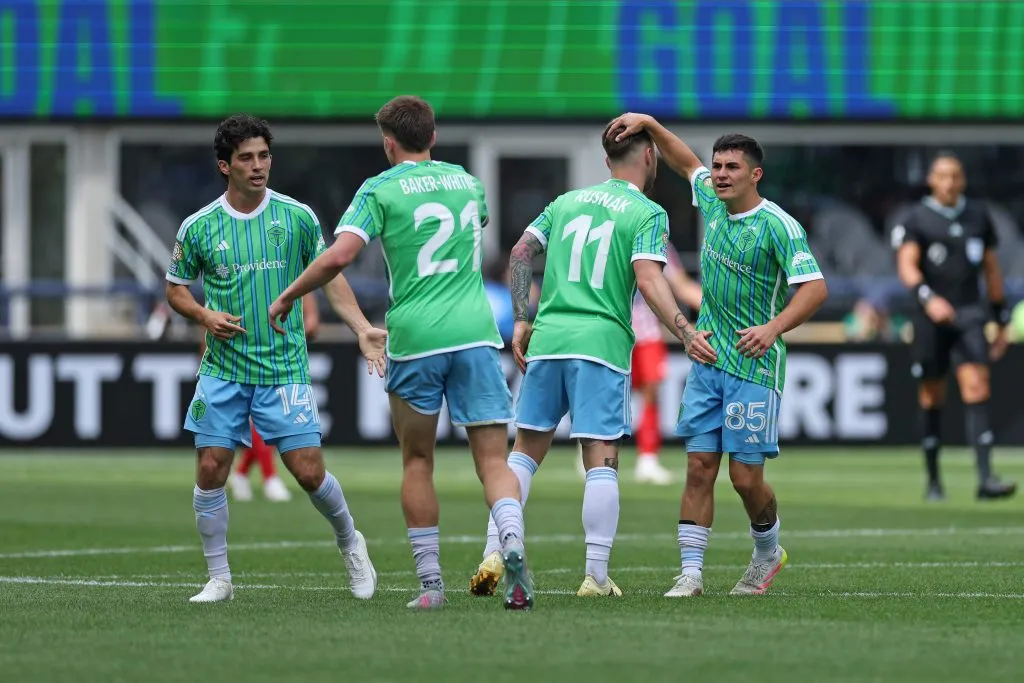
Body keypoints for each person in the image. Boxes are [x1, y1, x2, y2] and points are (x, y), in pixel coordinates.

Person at [268, 95, 534, 611]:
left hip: (415, 337)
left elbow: (341, 255)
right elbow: (473, 225)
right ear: (432, 137)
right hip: (477, 333)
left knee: (417, 460)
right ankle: (512, 543)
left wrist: (290, 294)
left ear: (388, 143)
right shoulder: (466, 182)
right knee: (494, 460)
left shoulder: (378, 189)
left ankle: (431, 587)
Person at [468, 120, 717, 598]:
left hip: (549, 339)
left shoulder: (566, 202)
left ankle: (494, 551)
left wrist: (522, 318)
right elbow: (647, 279)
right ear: (649, 158)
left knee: (523, 454)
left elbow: (520, 252)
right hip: (600, 344)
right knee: (601, 459)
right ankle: (596, 577)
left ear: (607, 162)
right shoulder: (647, 212)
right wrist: (684, 331)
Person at [165, 113, 385, 603]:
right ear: (225, 166)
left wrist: (363, 329)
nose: (258, 165)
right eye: (246, 158)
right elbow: (175, 290)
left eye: (264, 155)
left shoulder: (297, 217)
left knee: (307, 471)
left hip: (283, 367)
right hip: (223, 368)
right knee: (211, 468)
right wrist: (204, 315)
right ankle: (219, 578)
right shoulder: (199, 226)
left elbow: (331, 277)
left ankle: (351, 542)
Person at [607, 113, 828, 598]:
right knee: (699, 467)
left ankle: (768, 550)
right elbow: (683, 160)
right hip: (707, 358)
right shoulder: (709, 196)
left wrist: (773, 328)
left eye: (731, 166)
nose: (720, 173)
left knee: (746, 479)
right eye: (717, 165)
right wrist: (650, 123)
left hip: (754, 363)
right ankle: (690, 574)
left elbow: (815, 288)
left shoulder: (779, 226)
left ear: (756, 174)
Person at [891, 152, 1016, 501]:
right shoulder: (915, 218)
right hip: (931, 318)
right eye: (943, 176)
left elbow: (991, 269)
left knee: (977, 386)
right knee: (932, 394)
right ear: (932, 180)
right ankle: (934, 481)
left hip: (970, 314)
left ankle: (986, 478)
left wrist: (999, 316)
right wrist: (927, 297)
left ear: (962, 180)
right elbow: (906, 265)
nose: (950, 182)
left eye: (956, 176)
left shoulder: (978, 215)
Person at [211, 292, 318, 503]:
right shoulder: (244, 278)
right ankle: (269, 478)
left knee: (270, 424)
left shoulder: (295, 275)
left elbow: (313, 321)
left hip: (284, 362)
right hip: (243, 360)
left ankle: (242, 474)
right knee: (259, 423)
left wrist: (292, 332)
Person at [631, 242, 703, 485]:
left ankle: (647, 458)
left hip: (648, 330)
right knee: (605, 390)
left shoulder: (659, 243)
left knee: (652, 389)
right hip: (613, 328)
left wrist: (718, 310)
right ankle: (591, 445)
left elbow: (681, 285)